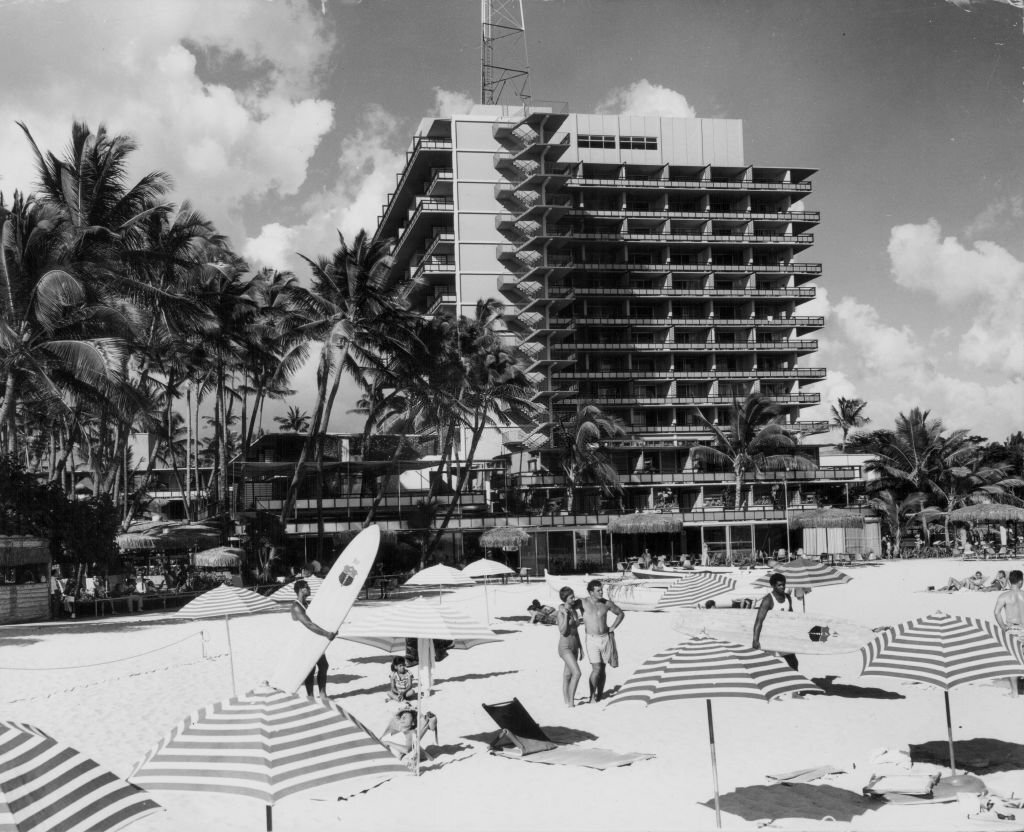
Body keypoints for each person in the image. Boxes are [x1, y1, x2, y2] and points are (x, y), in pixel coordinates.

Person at [580, 580, 625, 703]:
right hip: (591, 639)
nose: (601, 592)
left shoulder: (606, 603)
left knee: (603, 669)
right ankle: (591, 696)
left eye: (601, 590)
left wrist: (613, 627)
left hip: (605, 638)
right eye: (598, 590)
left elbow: (620, 613)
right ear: (591, 592)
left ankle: (599, 695)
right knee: (596, 669)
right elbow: (568, 604)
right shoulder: (583, 602)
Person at [290, 579, 336, 699]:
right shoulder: (296, 606)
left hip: (314, 639)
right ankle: (310, 696)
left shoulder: (307, 604)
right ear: (300, 590)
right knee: (310, 669)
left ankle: (322, 694)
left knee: (324, 666)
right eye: (307, 587)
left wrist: (333, 628)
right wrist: (326, 633)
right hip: (304, 642)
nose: (309, 589)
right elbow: (309, 624)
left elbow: (318, 619)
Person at [753, 572, 799, 671]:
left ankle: (795, 684)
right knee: (768, 664)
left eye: (783, 584)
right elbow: (759, 620)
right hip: (770, 636)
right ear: (773, 586)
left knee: (793, 662)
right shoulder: (768, 600)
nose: (782, 587)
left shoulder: (788, 597)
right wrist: (755, 640)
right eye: (779, 585)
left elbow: (791, 615)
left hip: (784, 636)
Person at [994, 570, 1024, 697]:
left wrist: (1003, 626)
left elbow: (996, 612)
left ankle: (1014, 692)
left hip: (1012, 630)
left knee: (1013, 661)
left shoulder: (1004, 596)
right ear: (1021, 581)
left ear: (1010, 581)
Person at [554, 587, 583, 707]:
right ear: (565, 599)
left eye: (573, 596)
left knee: (568, 674)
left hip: (575, 645)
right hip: (565, 646)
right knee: (577, 673)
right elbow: (563, 631)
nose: (573, 599)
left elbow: (575, 631)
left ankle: (566, 699)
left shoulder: (574, 611)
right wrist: (565, 616)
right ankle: (571, 701)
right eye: (571, 597)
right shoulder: (561, 612)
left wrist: (581, 647)